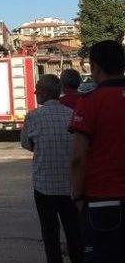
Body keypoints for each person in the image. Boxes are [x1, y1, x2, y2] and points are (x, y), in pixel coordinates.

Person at [70, 39, 125, 262]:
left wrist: (78, 196)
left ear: (95, 67)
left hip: (104, 201)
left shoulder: (90, 102)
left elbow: (77, 158)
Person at [21, 74, 83, 263]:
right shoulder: (71, 114)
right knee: (74, 234)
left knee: (50, 235)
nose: (35, 92)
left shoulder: (32, 116)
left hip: (44, 187)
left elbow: (26, 144)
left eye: (37, 89)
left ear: (46, 93)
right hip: (69, 188)